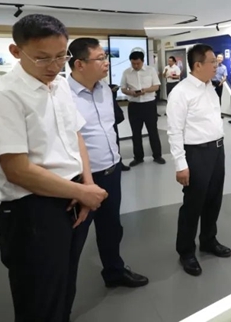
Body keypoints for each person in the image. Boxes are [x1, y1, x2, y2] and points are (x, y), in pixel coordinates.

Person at [0, 14, 108, 322]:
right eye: (42, 58)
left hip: (73, 197)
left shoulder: (59, 85)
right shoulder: (1, 95)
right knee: (39, 299)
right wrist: (82, 191)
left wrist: (87, 184)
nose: (53, 66)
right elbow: (17, 170)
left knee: (64, 284)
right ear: (16, 51)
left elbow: (75, 134)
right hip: (33, 210)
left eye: (61, 56)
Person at [67, 38, 149, 288]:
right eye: (100, 58)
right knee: (74, 235)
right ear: (80, 64)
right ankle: (62, 292)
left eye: (106, 57)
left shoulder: (105, 89)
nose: (107, 63)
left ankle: (114, 271)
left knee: (112, 227)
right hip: (80, 179)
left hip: (111, 171)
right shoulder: (62, 94)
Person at [167, 44, 231, 276]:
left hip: (217, 150)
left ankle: (208, 240)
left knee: (214, 199)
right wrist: (181, 165)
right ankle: (186, 251)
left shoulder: (209, 87)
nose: (216, 65)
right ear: (197, 65)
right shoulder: (181, 93)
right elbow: (174, 131)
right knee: (193, 204)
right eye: (212, 62)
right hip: (196, 153)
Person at [120, 51, 166, 166]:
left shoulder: (151, 70)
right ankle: (138, 157)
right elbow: (123, 88)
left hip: (149, 105)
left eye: (138, 63)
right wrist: (131, 92)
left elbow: (156, 86)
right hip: (134, 105)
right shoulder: (126, 72)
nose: (135, 66)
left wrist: (145, 90)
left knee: (153, 131)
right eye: (133, 63)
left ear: (143, 61)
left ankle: (157, 155)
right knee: (136, 133)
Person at [109, 82, 131, 171]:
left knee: (115, 140)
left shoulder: (102, 86)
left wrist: (112, 89)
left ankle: (118, 162)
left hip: (111, 117)